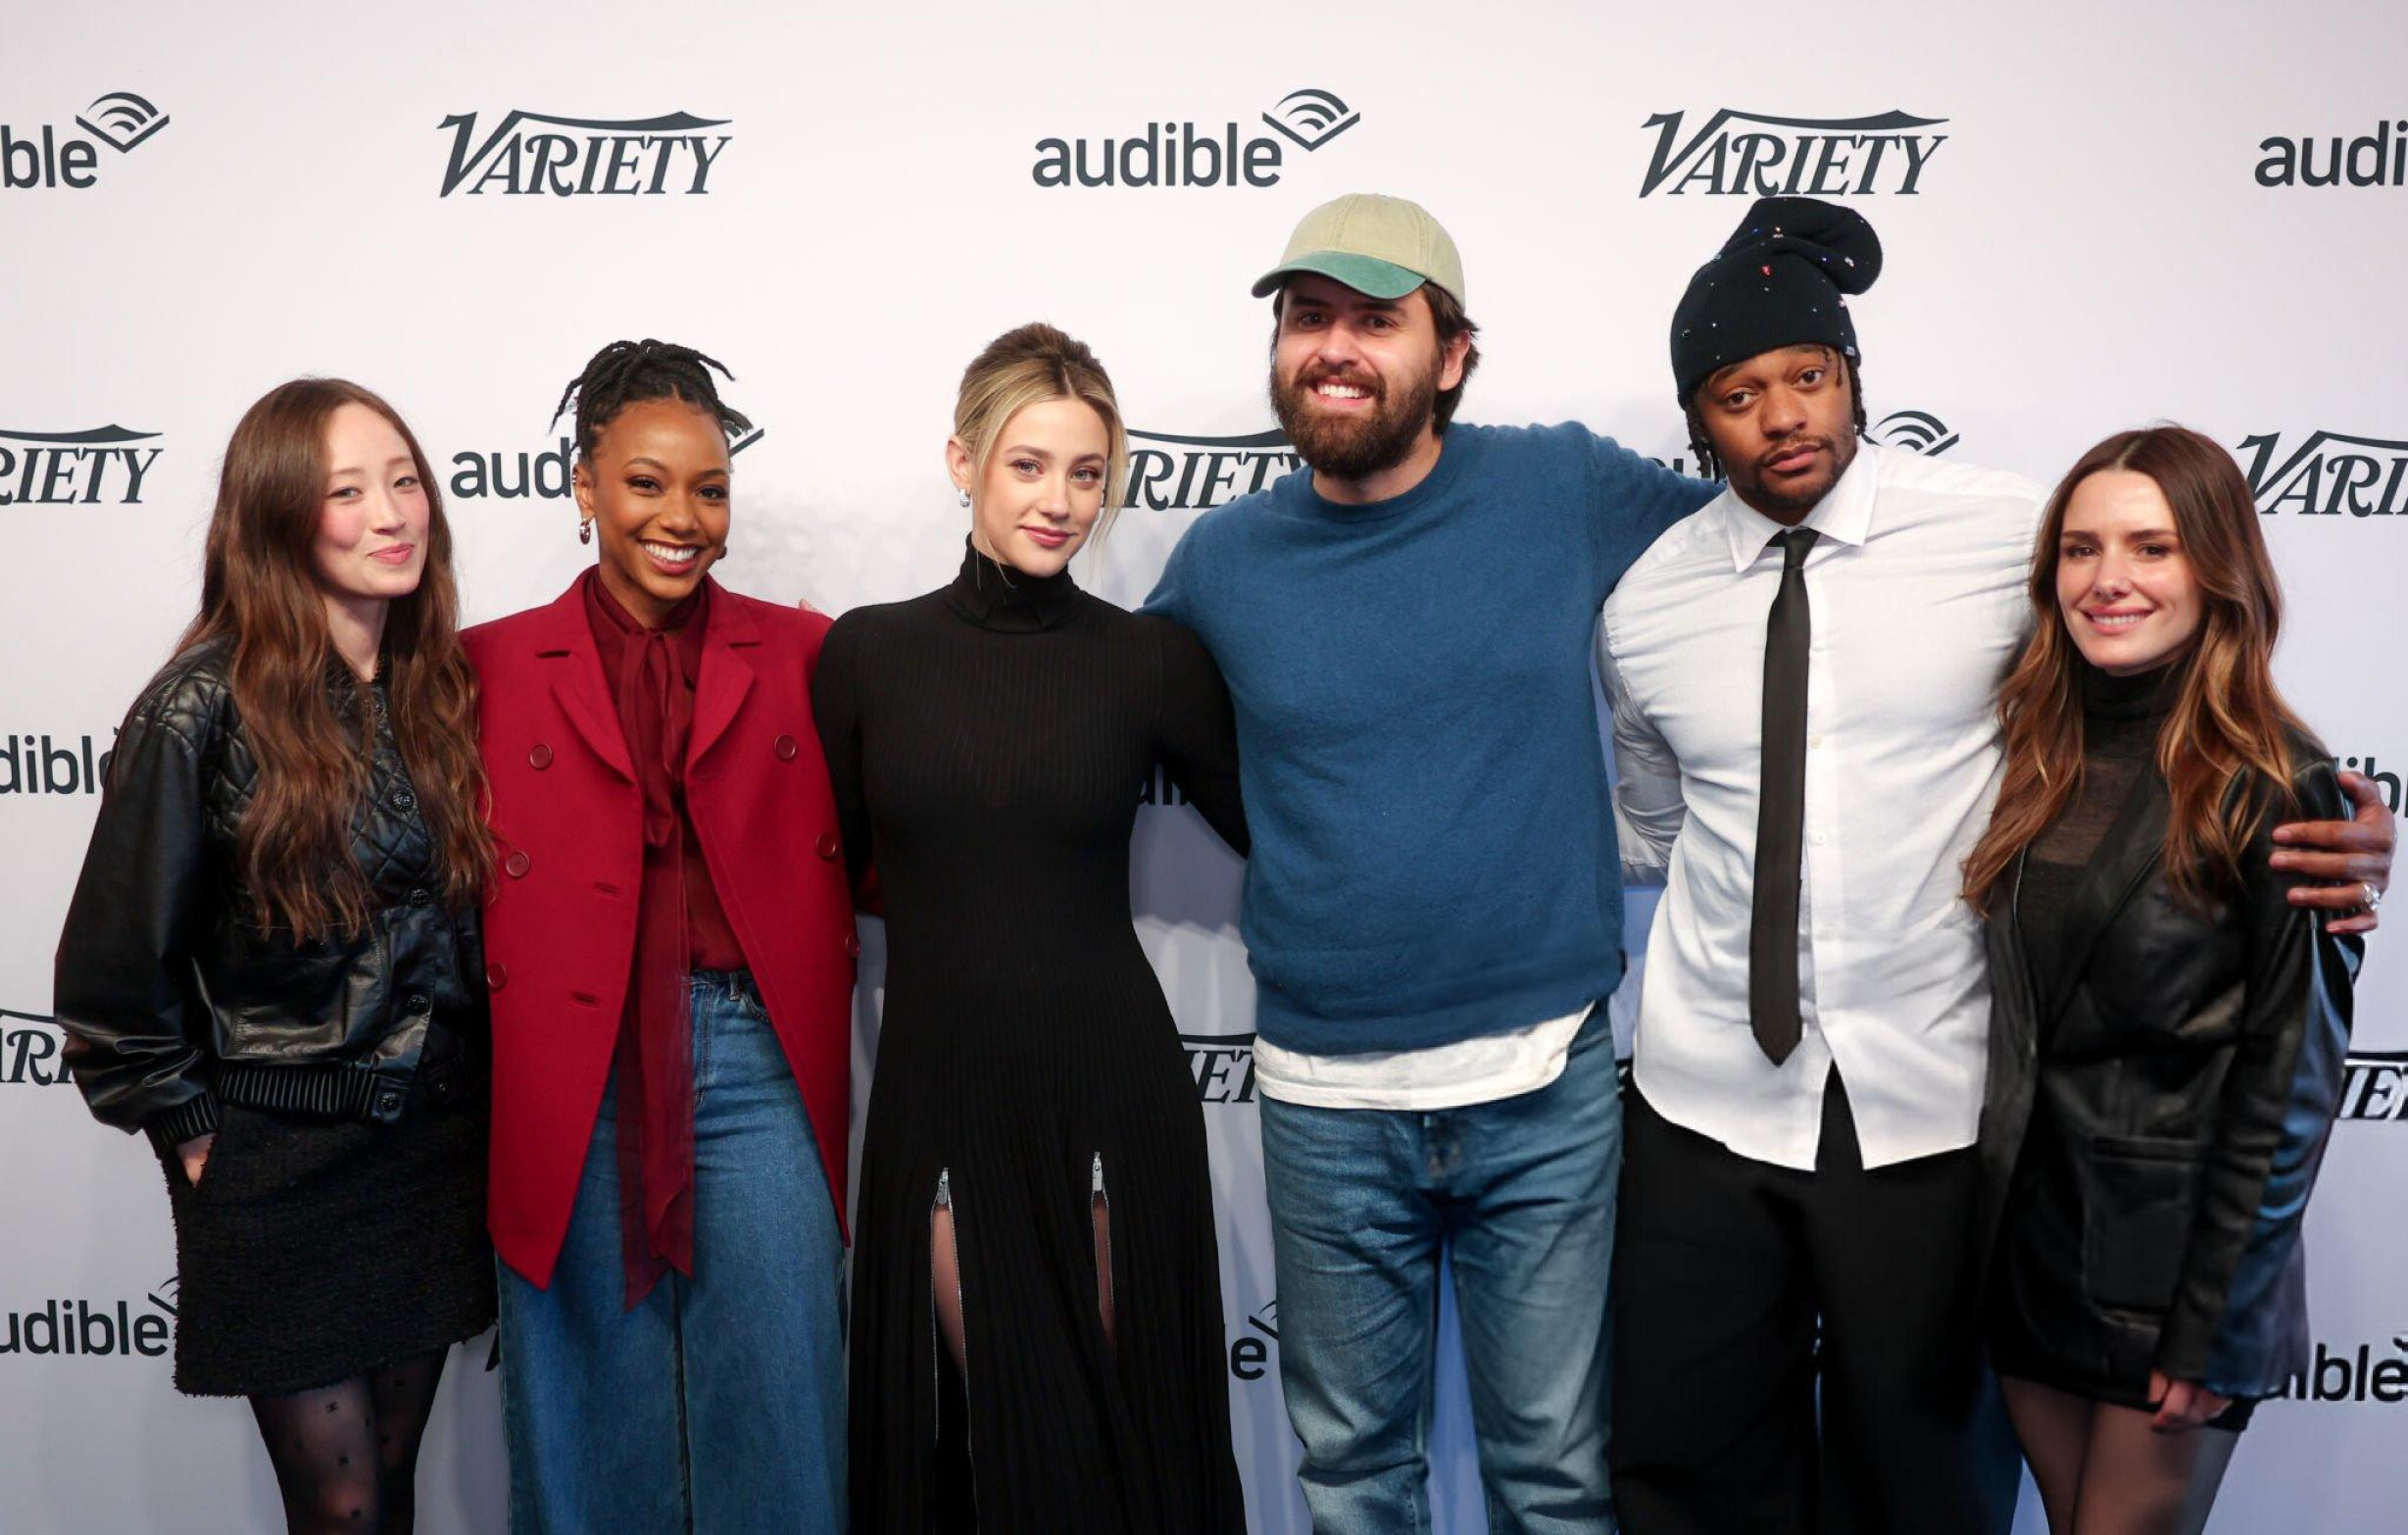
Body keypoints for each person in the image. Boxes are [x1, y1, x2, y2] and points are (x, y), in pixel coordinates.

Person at [1597, 198, 2392, 1535]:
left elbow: (2164, 683)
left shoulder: (2008, 537)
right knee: (1683, 1475)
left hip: (1933, 1101)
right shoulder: (1645, 605)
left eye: (1811, 375)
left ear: (1854, 379)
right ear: (1699, 420)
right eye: (1739, 394)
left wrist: (2330, 811)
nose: (1783, 415)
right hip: (1702, 1101)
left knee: (1924, 1485)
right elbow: (1659, 829)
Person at [1143, 193, 1720, 1530]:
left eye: (1375, 320)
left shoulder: (1561, 487)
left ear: (1452, 354)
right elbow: (1101, 711)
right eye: (1308, 318)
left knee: (1554, 1478)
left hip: (1543, 1086)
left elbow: (1765, 548)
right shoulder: (1223, 559)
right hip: (1323, 1102)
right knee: (1353, 1478)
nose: (1335, 348)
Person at [817, 322, 1248, 1533]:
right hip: (942, 1092)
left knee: (1110, 1445)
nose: (1059, 502)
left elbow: (1288, 832)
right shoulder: (867, 653)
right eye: (1028, 464)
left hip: (1110, 1088)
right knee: (1001, 1441)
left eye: (1087, 473)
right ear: (963, 462)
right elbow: (824, 873)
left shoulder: (1150, 660)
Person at [53, 378, 496, 1535]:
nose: (392, 513)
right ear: (277, 515)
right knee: (340, 1510)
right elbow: (110, 983)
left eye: (404, 481)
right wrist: (200, 1139)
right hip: (282, 1169)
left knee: (389, 1490)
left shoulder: (439, 692)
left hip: (429, 1154)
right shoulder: (197, 709)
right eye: (348, 491)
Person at [464, 340, 855, 1533]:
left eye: (710, 488)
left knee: (785, 1400)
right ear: (584, 487)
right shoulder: (483, 668)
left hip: (753, 1062)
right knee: (584, 1412)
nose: (682, 518)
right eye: (645, 483)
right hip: (564, 1069)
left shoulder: (806, 655)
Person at [1965, 425, 2360, 1535]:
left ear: (2217, 567)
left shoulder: (2277, 784)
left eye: (2151, 547)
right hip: (2030, 1262)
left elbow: (2289, 1083)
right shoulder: (2033, 757)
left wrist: (2215, 1322)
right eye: (2081, 548)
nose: (2109, 579)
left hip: (2173, 1281)